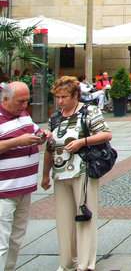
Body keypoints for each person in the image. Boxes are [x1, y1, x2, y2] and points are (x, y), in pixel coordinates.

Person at [42, 76, 112, 271]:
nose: (60, 101)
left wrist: (82, 142)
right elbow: (49, 147)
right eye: (57, 97)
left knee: (84, 216)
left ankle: (85, 263)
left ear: (75, 95)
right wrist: (45, 174)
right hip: (60, 173)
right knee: (63, 219)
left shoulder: (88, 111)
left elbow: (106, 134)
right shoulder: (55, 117)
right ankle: (66, 262)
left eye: (64, 96)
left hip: (83, 171)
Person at [0, 82, 49, 271]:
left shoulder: (24, 115)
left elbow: (36, 131)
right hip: (4, 190)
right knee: (2, 241)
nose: (24, 106)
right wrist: (17, 142)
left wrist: (43, 135)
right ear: (5, 99)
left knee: (17, 237)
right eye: (20, 101)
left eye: (27, 101)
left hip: (24, 187)